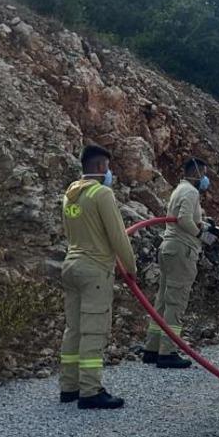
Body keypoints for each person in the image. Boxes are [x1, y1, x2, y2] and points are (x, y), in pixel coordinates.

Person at [59, 144, 136, 409]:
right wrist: (131, 267)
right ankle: (91, 391)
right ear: (100, 167)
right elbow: (118, 236)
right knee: (93, 329)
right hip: (94, 269)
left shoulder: (69, 194)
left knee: (74, 329)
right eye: (107, 167)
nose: (109, 173)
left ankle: (69, 387)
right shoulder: (101, 194)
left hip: (71, 265)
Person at [142, 158, 211, 369]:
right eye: (204, 174)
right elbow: (184, 219)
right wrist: (202, 235)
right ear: (196, 173)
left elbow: (183, 217)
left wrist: (207, 226)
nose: (205, 179)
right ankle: (168, 352)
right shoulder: (191, 191)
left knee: (163, 300)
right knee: (176, 301)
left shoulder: (179, 189)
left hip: (169, 248)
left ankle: (152, 349)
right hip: (182, 250)